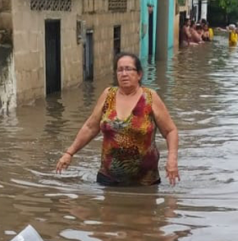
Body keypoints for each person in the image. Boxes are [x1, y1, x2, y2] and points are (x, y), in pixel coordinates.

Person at [55, 53, 180, 186]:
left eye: (128, 69)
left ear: (139, 74)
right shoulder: (108, 95)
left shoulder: (150, 97)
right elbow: (90, 127)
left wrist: (172, 159)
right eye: (120, 70)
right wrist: (69, 153)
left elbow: (170, 131)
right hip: (108, 177)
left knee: (146, 206)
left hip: (146, 180)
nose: (124, 74)